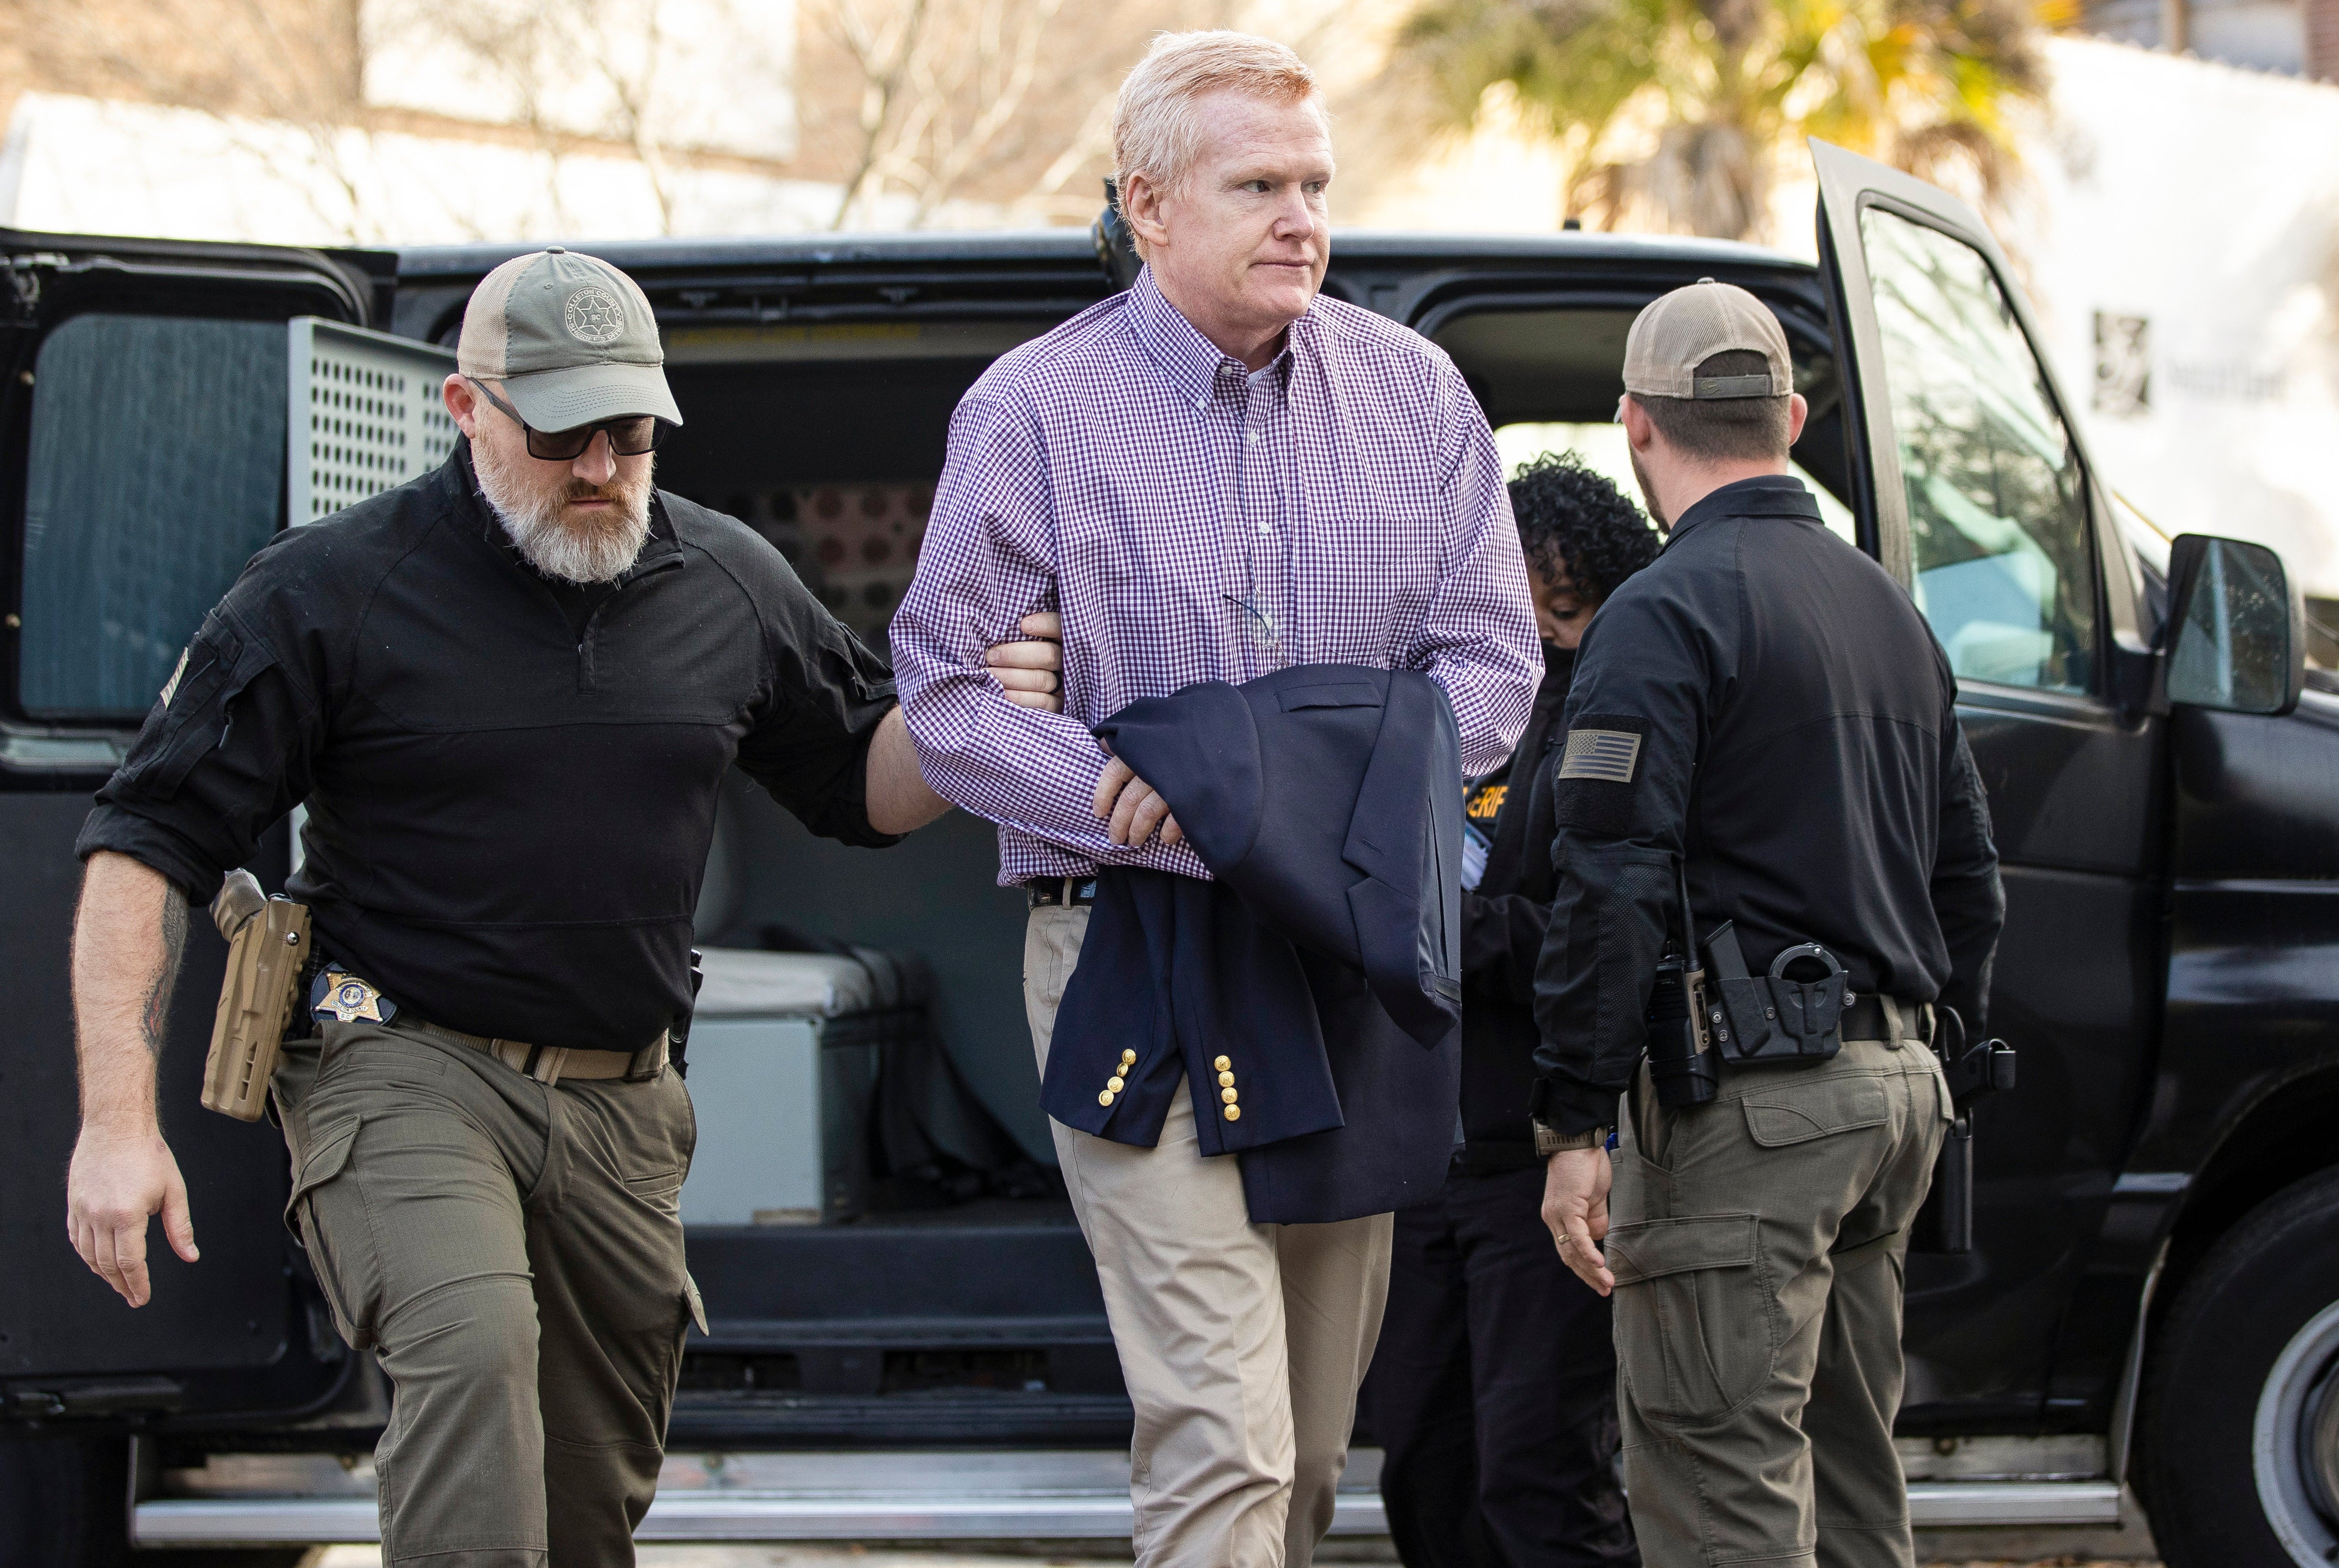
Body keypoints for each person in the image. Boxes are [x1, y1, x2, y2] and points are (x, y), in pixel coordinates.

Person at [62, 246, 1063, 1568]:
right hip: (399, 1062)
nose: (600, 465)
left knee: (590, 1493)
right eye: (560, 433)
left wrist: (972, 719)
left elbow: (855, 787)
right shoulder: (326, 591)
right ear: (466, 409)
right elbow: (144, 843)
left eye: (629, 431)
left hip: (621, 1095)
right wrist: (116, 1125)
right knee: (472, 1356)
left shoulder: (726, 578)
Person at [889, 29, 1540, 1568]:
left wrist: (1292, 800)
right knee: (1224, 1437)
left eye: (1313, 183)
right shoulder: (1032, 408)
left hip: (1342, 955)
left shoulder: (1420, 396)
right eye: (1257, 184)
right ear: (1149, 204)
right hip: (1132, 952)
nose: (1301, 217)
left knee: (1310, 1445)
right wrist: (1125, 790)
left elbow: (1495, 665)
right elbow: (944, 692)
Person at [1529, 280, 2004, 1568]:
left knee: (1718, 1491)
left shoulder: (1662, 611)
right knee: (1852, 1490)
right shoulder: (1887, 609)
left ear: (1636, 426)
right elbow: (1971, 885)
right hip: (1896, 1097)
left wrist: (1572, 1120)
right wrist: (1918, 1059)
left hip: (1747, 1114)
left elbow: (1609, 881)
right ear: (1787, 418)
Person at [1366, 451, 1655, 1568]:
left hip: (1542, 1154)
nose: (1535, 626)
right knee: (1423, 1468)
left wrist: (1450, 929)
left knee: (1537, 1474)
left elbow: (1605, 928)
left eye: (1563, 602)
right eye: (1512, 590)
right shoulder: (1435, 712)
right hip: (1417, 1161)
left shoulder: (1606, 721)